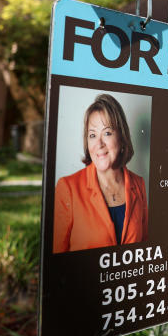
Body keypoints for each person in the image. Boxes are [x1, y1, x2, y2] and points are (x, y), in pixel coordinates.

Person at [53, 93, 147, 253]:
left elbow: (144, 251)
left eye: (107, 133)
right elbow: (56, 263)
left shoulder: (139, 184)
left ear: (122, 137)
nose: (99, 144)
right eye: (92, 135)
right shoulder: (68, 188)